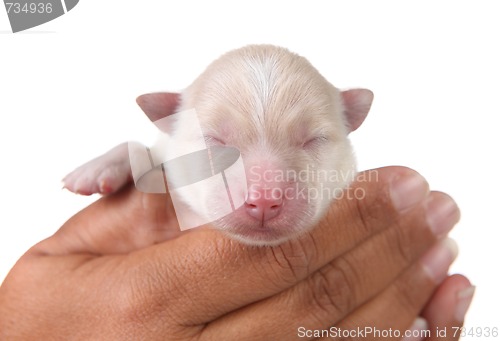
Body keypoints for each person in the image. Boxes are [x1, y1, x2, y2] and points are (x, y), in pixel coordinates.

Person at [0, 96, 473, 340]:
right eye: (221, 144)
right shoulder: (168, 168)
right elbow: (154, 166)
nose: (264, 195)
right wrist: (131, 159)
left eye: (308, 143)